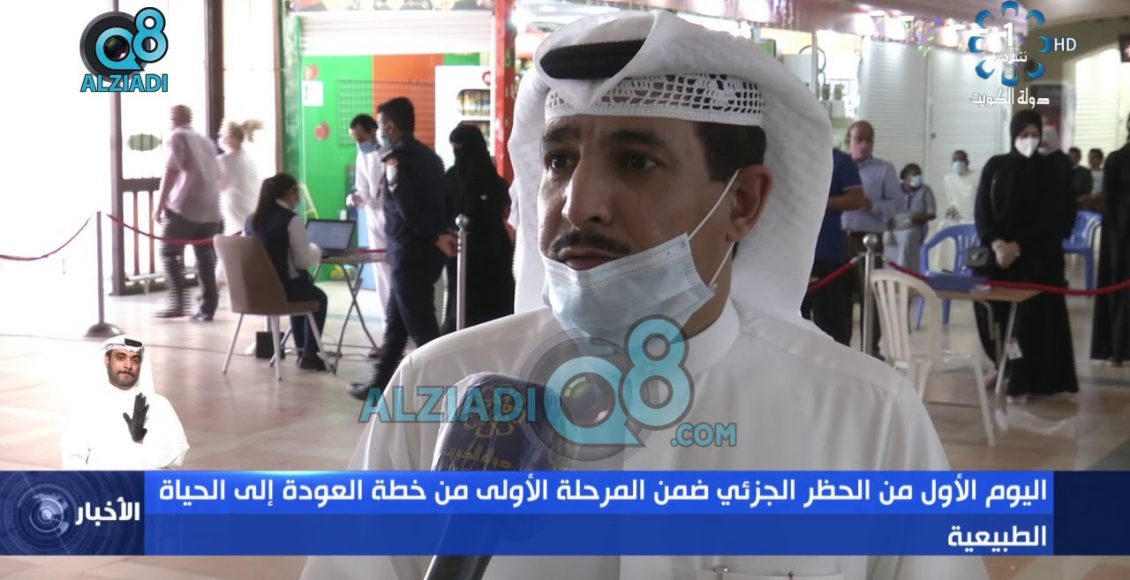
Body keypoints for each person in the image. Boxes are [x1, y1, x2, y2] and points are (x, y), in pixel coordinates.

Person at [304, 11, 987, 579]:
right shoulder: (437, 387)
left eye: (636, 162)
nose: (579, 204)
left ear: (743, 203)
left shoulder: (863, 418)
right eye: (560, 161)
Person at [349, 97, 454, 400]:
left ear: (391, 127)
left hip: (409, 254)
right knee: (395, 327)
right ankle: (379, 384)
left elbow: (406, 208)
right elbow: (445, 201)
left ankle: (449, 390)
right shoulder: (431, 158)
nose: (379, 132)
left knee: (423, 330)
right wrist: (441, 233)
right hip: (426, 255)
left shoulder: (397, 160)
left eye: (381, 126)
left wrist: (433, 235)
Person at [972, 110, 1078, 402]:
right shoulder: (997, 167)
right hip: (999, 258)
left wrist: (1018, 246)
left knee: (1029, 321)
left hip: (1037, 259)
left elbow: (1053, 216)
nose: (1029, 140)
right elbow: (982, 210)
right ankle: (1001, 365)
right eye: (1023, 135)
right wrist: (996, 243)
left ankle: (1024, 379)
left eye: (1034, 135)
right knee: (993, 315)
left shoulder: (1050, 171)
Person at [61, 335, 189, 470]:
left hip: (147, 482)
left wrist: (143, 439)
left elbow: (179, 455)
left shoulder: (159, 404)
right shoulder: (86, 406)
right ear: (107, 359)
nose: (128, 366)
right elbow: (72, 458)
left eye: (135, 360)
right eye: (121, 357)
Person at [244, 173, 330, 371]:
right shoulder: (292, 220)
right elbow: (303, 261)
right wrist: (317, 250)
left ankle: (303, 351)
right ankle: (309, 353)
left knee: (301, 290)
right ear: (291, 193)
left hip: (253, 293)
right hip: (282, 291)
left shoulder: (250, 221)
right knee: (318, 297)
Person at [440, 123, 516, 335]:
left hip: (466, 253)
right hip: (492, 252)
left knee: (463, 309)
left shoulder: (452, 179)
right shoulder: (495, 181)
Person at [154, 105, 223, 321]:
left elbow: (171, 171)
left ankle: (178, 302)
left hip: (186, 207)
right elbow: (218, 173)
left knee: (168, 251)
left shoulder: (177, 137)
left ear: (174, 118)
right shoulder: (206, 141)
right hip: (211, 209)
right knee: (205, 257)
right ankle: (208, 306)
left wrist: (160, 204)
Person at [842, 121, 903, 355]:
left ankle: (871, 349)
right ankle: (840, 348)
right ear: (848, 141)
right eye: (859, 139)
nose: (864, 145)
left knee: (869, 295)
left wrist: (872, 205)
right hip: (838, 238)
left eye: (869, 140)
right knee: (839, 296)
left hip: (869, 241)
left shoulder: (884, 169)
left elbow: (897, 204)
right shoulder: (837, 166)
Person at [801, 148, 869, 345]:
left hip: (825, 252)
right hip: (789, 253)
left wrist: (819, 203)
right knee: (794, 323)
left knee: (831, 326)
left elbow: (857, 198)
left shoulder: (839, 160)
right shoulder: (788, 155)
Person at [347, 113, 391, 359]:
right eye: (355, 139)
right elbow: (363, 188)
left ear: (374, 131)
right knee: (382, 279)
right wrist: (356, 198)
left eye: (361, 138)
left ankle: (403, 337)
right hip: (375, 222)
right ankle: (388, 336)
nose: (359, 143)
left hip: (394, 223)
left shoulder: (389, 154)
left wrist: (371, 200)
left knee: (397, 281)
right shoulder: (361, 156)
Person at [1091, 117, 1130, 365]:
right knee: (1122, 292)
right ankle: (1118, 347)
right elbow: (1110, 200)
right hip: (1122, 237)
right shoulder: (1117, 159)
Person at [216, 119, 262, 286]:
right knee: (240, 245)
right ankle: (221, 282)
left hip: (234, 208)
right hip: (250, 207)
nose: (220, 139)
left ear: (231, 137)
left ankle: (217, 284)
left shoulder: (223, 161)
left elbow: (219, 186)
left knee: (229, 246)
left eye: (222, 135)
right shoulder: (249, 158)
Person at [883, 163, 936, 272]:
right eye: (914, 174)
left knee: (907, 237)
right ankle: (890, 274)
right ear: (905, 177)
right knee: (887, 245)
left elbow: (932, 214)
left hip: (914, 227)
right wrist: (887, 228)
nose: (918, 177)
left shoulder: (925, 190)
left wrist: (912, 220)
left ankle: (904, 273)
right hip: (893, 227)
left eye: (919, 174)